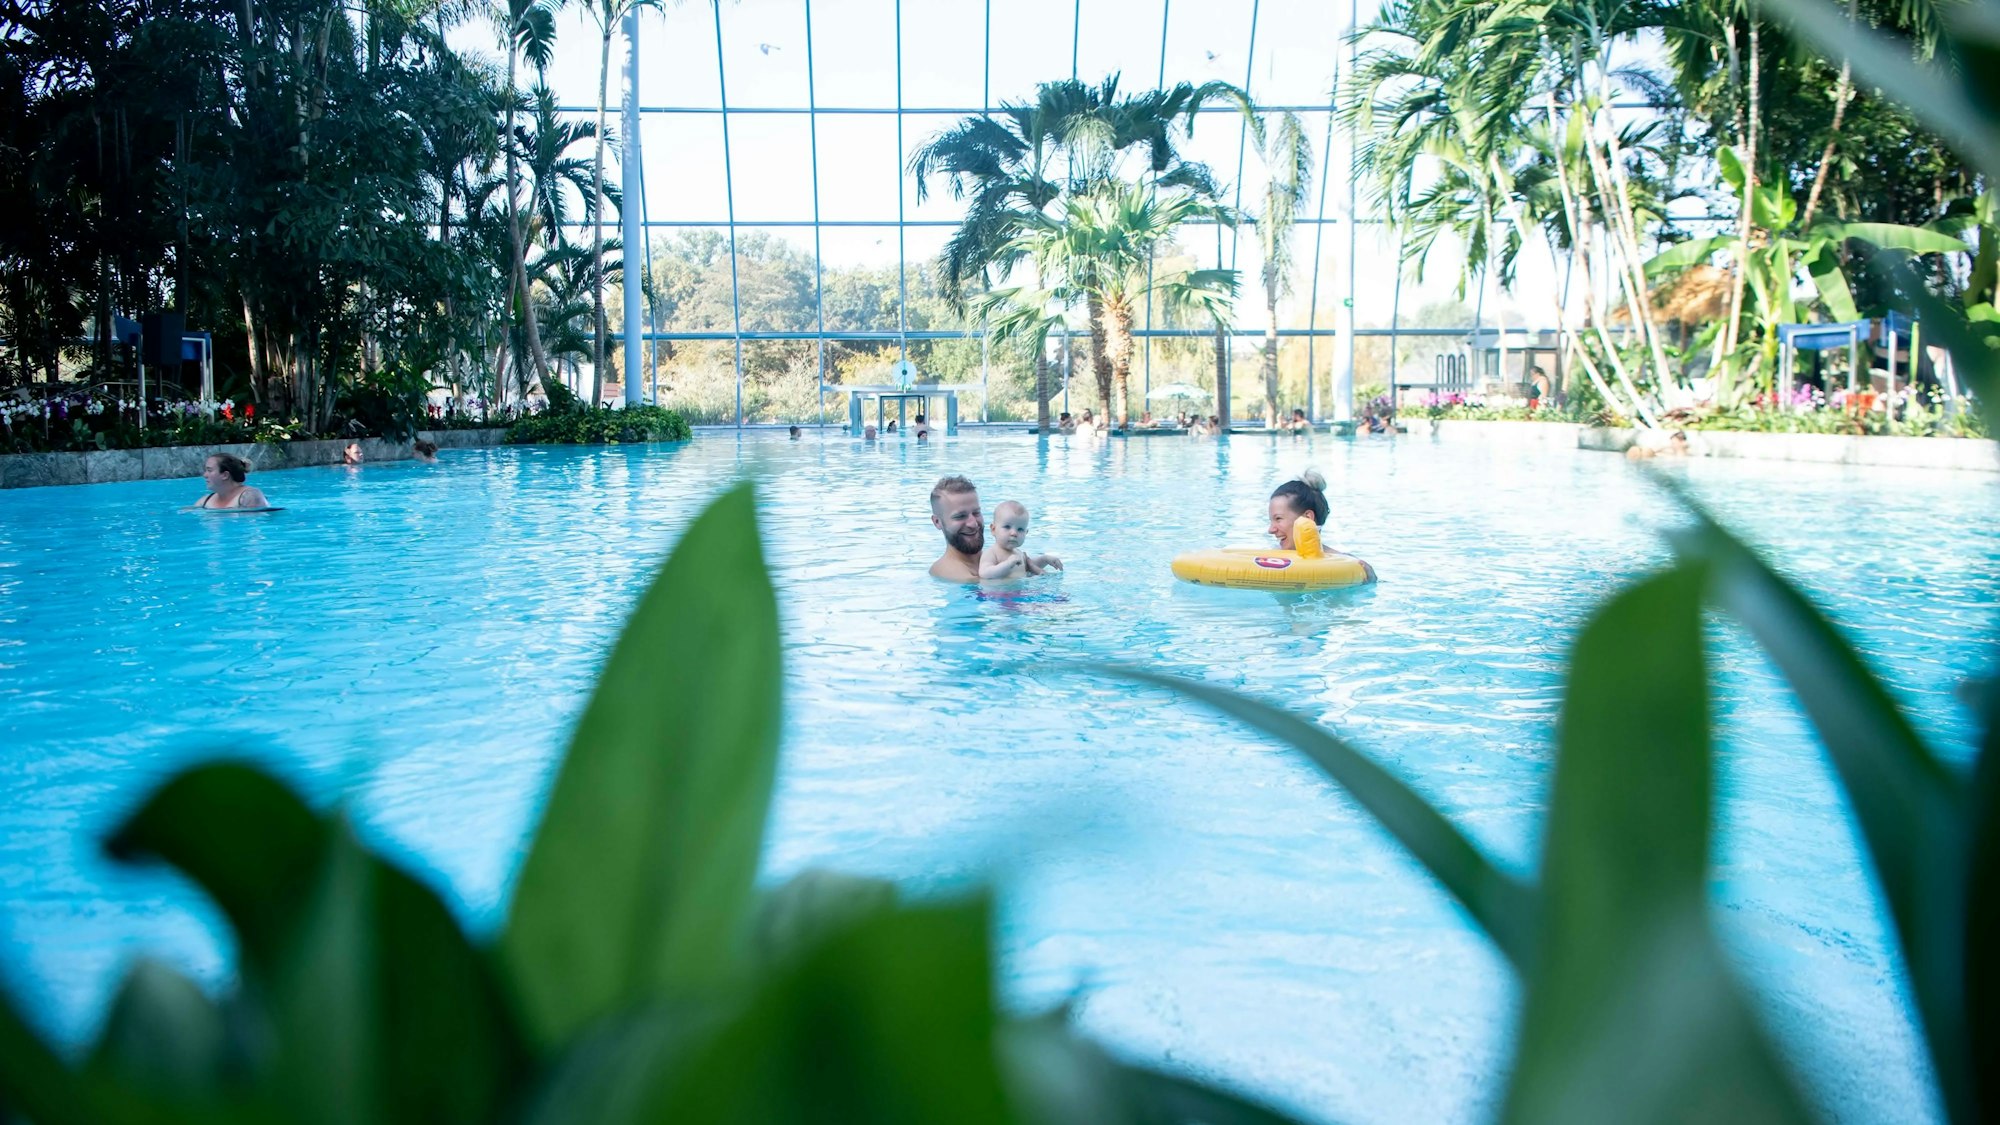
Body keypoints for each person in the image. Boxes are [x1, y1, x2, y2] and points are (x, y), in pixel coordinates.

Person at [979, 500, 1063, 580]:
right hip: (999, 594)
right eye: (1007, 527)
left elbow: (1029, 567)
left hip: (1020, 593)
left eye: (1020, 529)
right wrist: (1007, 564)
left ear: (1026, 533)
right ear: (993, 529)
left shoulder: (1019, 553)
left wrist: (1044, 559)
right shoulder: (992, 553)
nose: (1014, 533)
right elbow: (984, 573)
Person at [928, 475, 985, 583]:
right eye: (960, 516)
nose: (973, 524)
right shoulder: (946, 571)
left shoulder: (994, 560)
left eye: (976, 513)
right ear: (937, 522)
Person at [1266, 469, 1330, 551]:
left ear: (1307, 518)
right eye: (1271, 521)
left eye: (1278, 518)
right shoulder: (1269, 557)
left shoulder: (1345, 562)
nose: (1271, 530)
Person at [187, 452, 271, 510]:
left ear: (225, 475)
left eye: (209, 470)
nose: (204, 475)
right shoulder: (205, 501)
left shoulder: (250, 496)